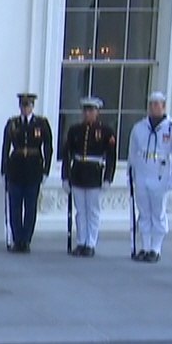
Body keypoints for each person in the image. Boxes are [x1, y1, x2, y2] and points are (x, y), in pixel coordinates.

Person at [128, 91, 172, 263]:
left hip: (160, 174)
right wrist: (131, 174)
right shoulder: (139, 127)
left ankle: (156, 248)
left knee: (158, 213)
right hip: (143, 172)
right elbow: (132, 152)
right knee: (144, 212)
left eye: (157, 104)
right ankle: (145, 247)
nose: (153, 107)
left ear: (164, 106)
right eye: (151, 104)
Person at [60, 96, 117, 257]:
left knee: (92, 211)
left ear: (97, 112)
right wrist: (65, 176)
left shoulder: (106, 131)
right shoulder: (75, 130)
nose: (87, 113)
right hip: (78, 172)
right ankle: (81, 241)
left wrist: (108, 178)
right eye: (85, 110)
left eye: (91, 110)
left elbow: (111, 156)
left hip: (94, 173)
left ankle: (91, 242)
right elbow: (67, 154)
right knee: (80, 211)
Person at [1, 92, 52, 253]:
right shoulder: (12, 123)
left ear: (32, 106)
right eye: (23, 105)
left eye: (28, 105)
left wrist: (46, 170)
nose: (25, 108)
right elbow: (6, 147)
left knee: (30, 207)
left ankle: (26, 240)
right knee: (15, 206)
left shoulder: (41, 124)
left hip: (33, 169)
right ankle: (17, 239)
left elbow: (48, 148)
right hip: (16, 169)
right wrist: (4, 170)